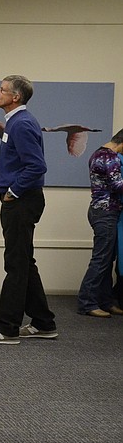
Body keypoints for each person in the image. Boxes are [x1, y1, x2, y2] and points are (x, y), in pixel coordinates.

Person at [0, 75, 57, 344]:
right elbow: (21, 162)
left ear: (16, 97)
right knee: (23, 262)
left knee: (16, 265)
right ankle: (44, 323)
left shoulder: (21, 123)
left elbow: (37, 166)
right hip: (22, 199)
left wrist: (13, 192)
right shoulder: (17, 122)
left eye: (3, 89)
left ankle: (7, 328)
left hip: (21, 202)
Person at [77, 130, 123, 317]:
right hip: (106, 212)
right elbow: (117, 185)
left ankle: (105, 301)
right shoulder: (109, 157)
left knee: (107, 258)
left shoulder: (98, 153)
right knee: (101, 259)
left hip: (102, 211)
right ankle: (87, 302)